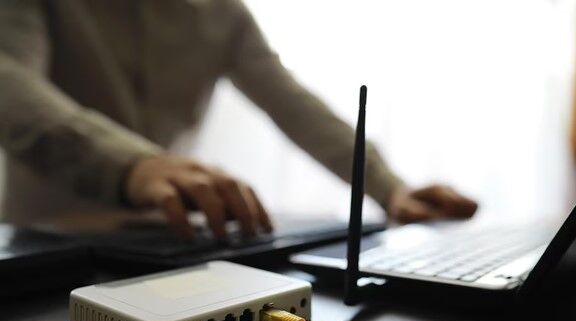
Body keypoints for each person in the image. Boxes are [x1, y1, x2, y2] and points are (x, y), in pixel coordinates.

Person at [0, 0, 477, 238]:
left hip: (167, 237)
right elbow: (10, 80)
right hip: (43, 238)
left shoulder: (222, 11)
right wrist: (132, 165)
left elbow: (291, 102)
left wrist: (390, 188)